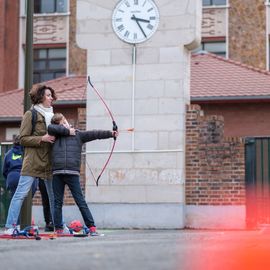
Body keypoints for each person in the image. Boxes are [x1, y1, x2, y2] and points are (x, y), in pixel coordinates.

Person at [48, 113, 118, 236]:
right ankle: (58, 229)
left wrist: (110, 134)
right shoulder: (54, 135)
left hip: (72, 172)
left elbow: (94, 134)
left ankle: (91, 227)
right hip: (57, 173)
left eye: (65, 121)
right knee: (57, 202)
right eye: (61, 123)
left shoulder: (77, 134)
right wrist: (66, 131)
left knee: (80, 201)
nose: (64, 124)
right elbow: (51, 127)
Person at [4, 84, 57, 234]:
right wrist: (43, 138)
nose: (51, 97)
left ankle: (59, 226)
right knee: (20, 194)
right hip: (32, 161)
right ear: (40, 97)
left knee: (54, 197)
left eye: (51, 95)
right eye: (48, 95)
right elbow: (23, 139)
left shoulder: (53, 116)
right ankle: (9, 226)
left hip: (48, 162)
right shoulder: (31, 114)